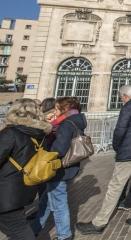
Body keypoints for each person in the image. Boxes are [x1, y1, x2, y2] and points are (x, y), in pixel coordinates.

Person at [76, 85, 131, 234]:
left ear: (125, 95)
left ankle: (99, 223)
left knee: (115, 186)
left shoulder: (128, 107)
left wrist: (117, 147)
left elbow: (120, 130)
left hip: (128, 151)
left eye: (121, 97)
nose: (120, 100)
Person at [31, 97, 87, 240]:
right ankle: (35, 228)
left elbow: (59, 149)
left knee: (59, 204)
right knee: (47, 200)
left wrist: (46, 152)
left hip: (58, 169)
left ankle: (64, 235)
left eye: (56, 109)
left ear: (63, 109)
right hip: (67, 168)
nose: (54, 112)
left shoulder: (66, 124)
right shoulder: (75, 120)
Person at [0, 99, 52, 240]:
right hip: (23, 186)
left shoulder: (11, 133)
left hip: (5, 189)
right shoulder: (40, 135)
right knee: (17, 227)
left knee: (18, 229)